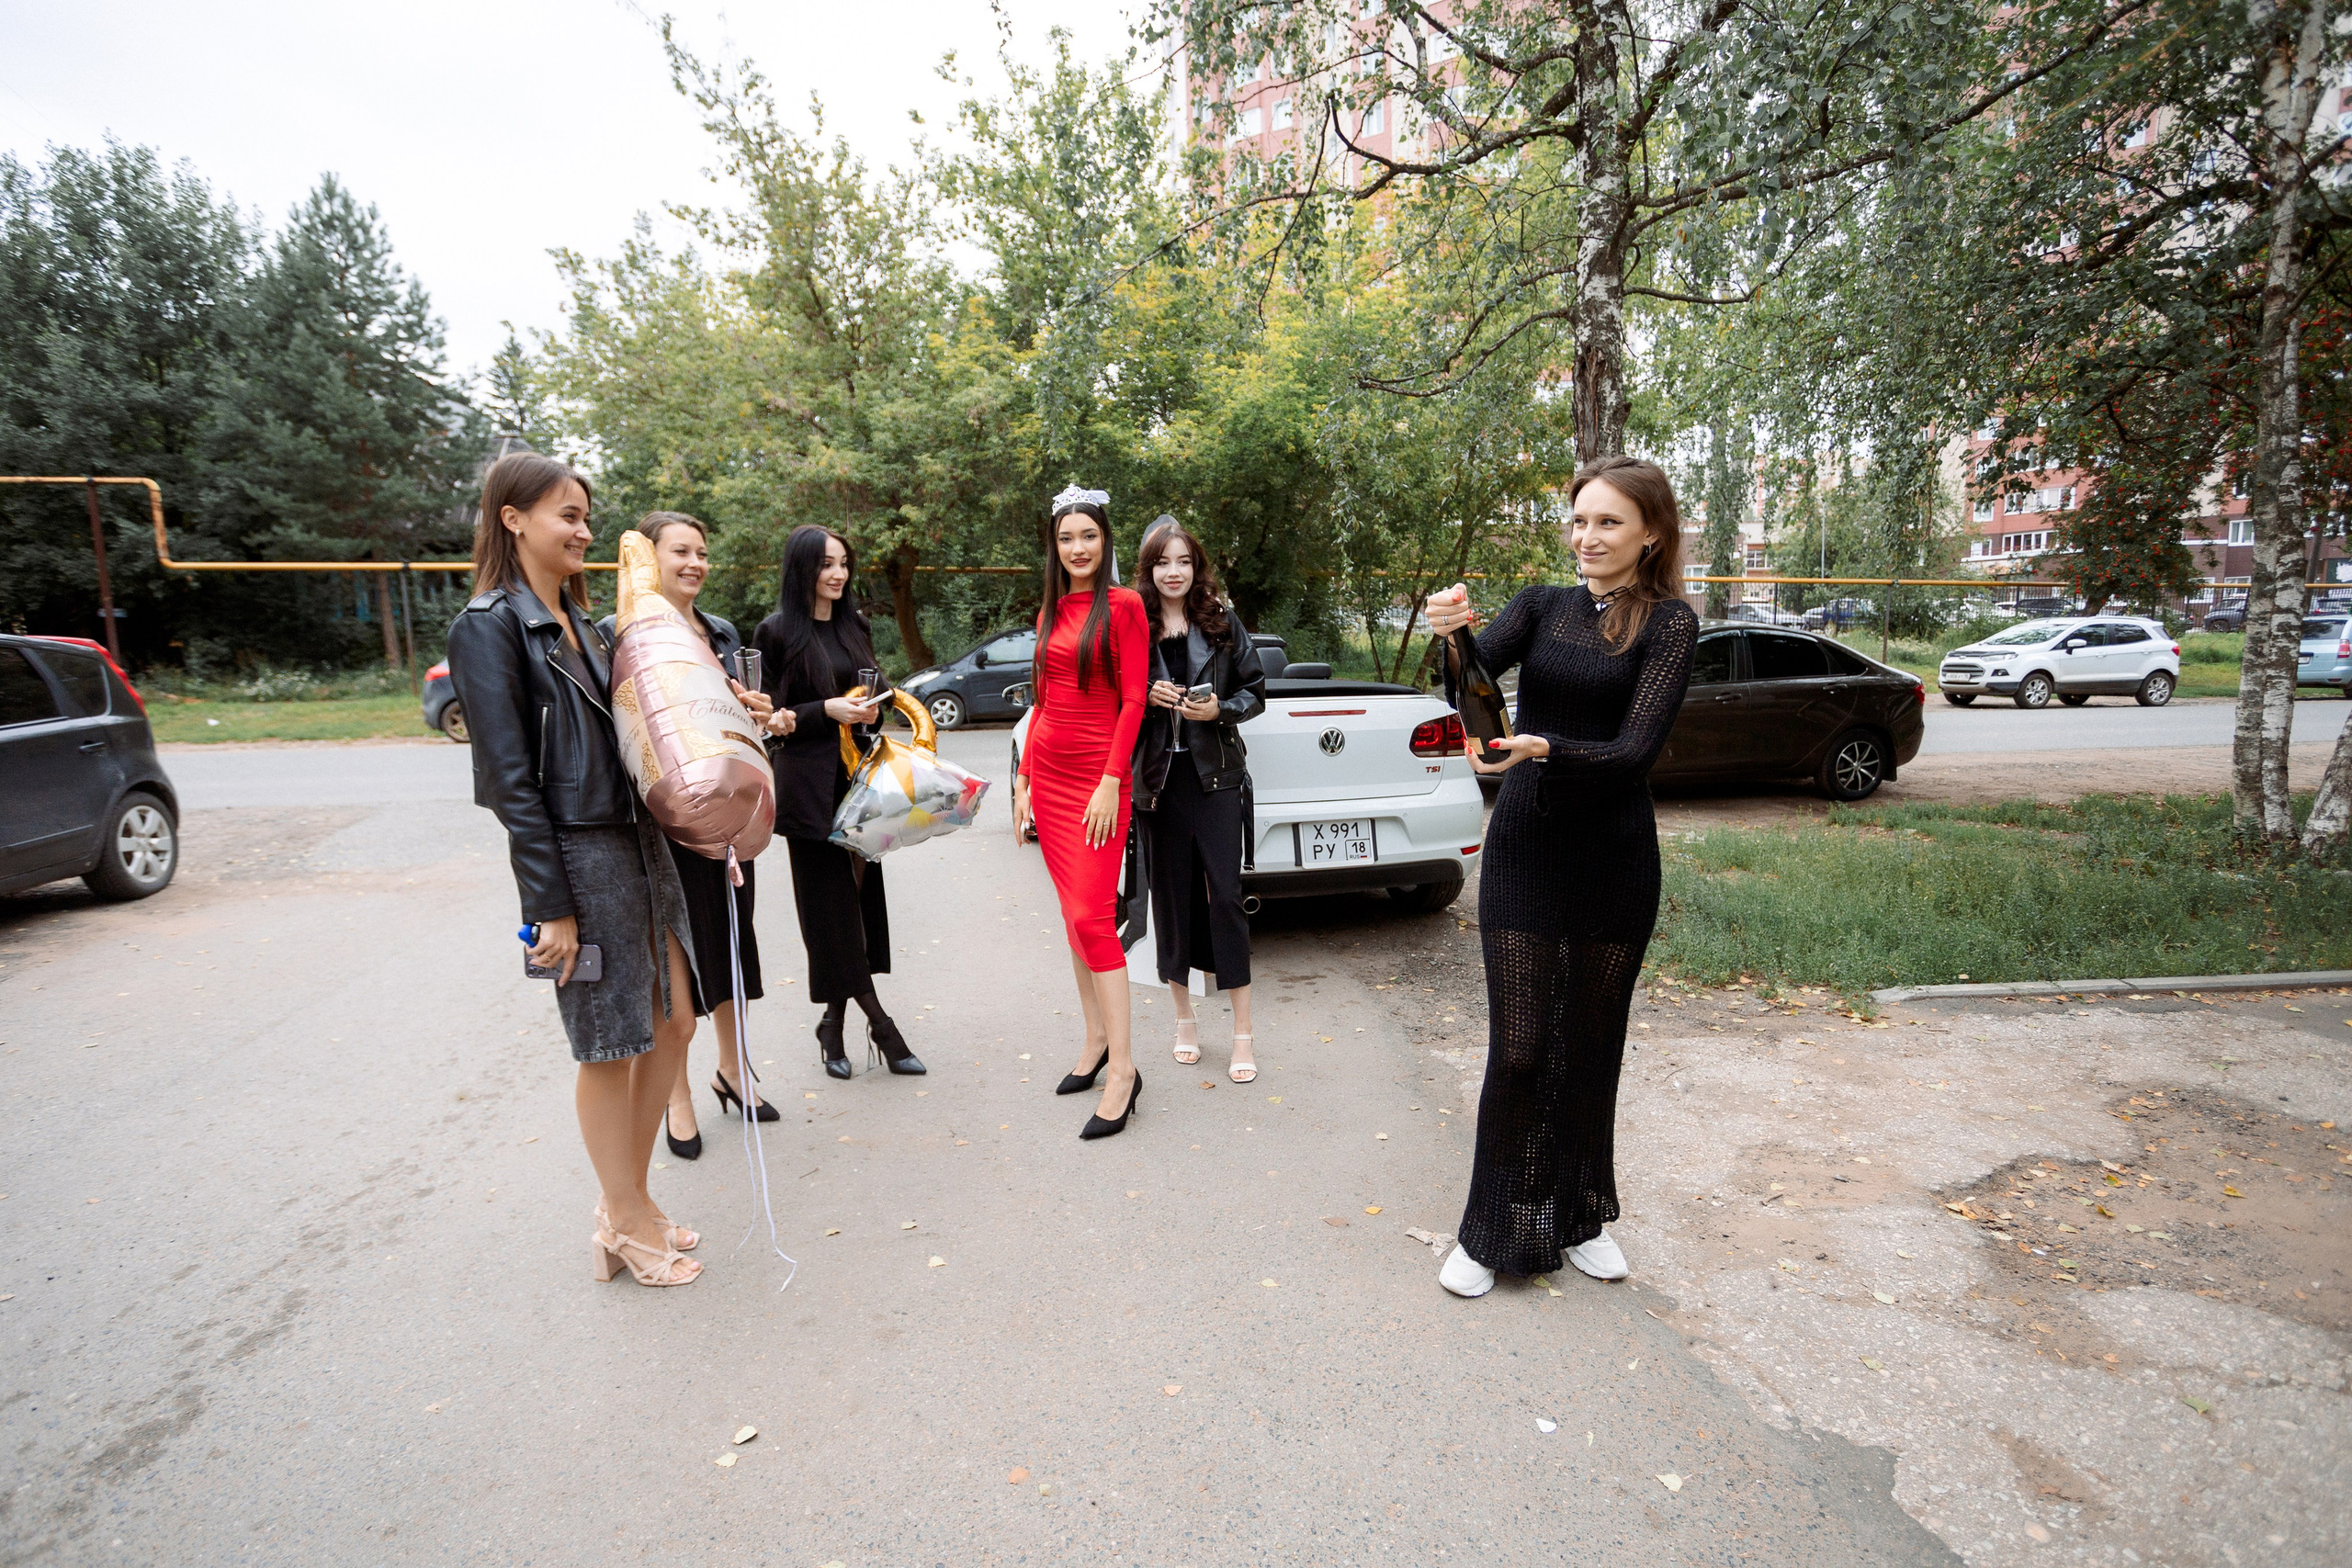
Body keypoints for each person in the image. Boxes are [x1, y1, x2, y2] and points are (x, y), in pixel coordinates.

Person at [1419, 455, 1697, 1299]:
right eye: (1579, 520)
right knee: (1521, 1047)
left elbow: (1632, 755)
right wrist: (1450, 634)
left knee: (1590, 1050)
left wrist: (1547, 748)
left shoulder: (1671, 623)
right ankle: (1490, 1228)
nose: (1587, 536)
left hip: (1614, 854)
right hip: (1528, 848)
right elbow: (1468, 687)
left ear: (1650, 533)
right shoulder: (1542, 607)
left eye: (1608, 522)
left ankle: (1577, 1215)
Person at [446, 453, 703, 1288]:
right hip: (579, 852)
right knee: (609, 1043)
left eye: (588, 516)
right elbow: (509, 781)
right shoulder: (489, 625)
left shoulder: (590, 626)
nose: (585, 531)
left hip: (639, 840)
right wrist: (549, 902)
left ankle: (627, 1200)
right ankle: (624, 1219)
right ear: (513, 518)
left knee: (675, 1019)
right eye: (568, 515)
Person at [594, 513, 791, 1160]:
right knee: (676, 961)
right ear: (649, 558)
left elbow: (730, 718)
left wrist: (761, 714)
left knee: (734, 940)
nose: (695, 562)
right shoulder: (617, 632)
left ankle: (733, 1070)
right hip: (664, 825)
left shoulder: (723, 633)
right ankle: (676, 1093)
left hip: (729, 815)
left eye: (703, 552)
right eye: (680, 551)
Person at [751, 525, 924, 1081]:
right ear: (802, 567)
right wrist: (825, 710)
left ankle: (832, 1023)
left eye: (844, 563)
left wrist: (871, 709)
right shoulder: (776, 633)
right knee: (829, 908)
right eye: (827, 564)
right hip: (807, 790)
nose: (838, 574)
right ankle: (882, 1026)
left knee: (853, 906)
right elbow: (770, 718)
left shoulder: (857, 625)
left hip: (859, 783)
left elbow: (873, 690)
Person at [1016, 487, 1150, 1140]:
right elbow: (1040, 702)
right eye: (1067, 538)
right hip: (1049, 779)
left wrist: (1110, 780)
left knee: (1090, 919)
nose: (1077, 548)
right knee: (1074, 920)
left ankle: (1123, 1071)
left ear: (1106, 540)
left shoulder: (1124, 607)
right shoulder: (1048, 611)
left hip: (1099, 784)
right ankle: (1095, 1040)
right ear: (1055, 545)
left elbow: (1133, 702)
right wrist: (1022, 780)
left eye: (1088, 536)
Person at [1132, 517, 1266, 1082]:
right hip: (1159, 783)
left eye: (1183, 561)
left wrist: (1220, 711)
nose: (1173, 572)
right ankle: (1184, 1019)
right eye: (1163, 562)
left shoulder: (1220, 621)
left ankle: (1242, 1033)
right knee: (1170, 900)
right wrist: (1143, 694)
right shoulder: (1131, 626)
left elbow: (1255, 692)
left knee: (1226, 899)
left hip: (1216, 779)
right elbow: (1109, 699)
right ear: (1149, 569)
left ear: (1196, 566)